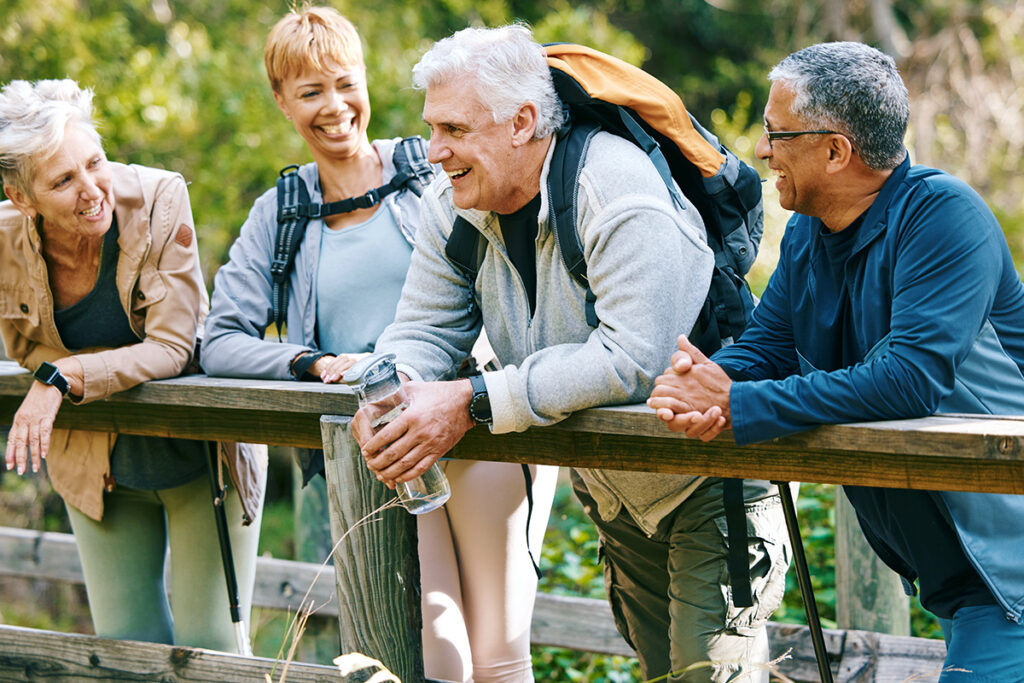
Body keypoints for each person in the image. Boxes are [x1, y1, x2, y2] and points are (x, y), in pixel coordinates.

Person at [350, 25, 790, 683]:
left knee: (710, 675)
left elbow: (632, 357)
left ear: (522, 121)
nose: (433, 150)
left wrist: (471, 402)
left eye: (454, 129)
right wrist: (400, 386)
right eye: (432, 128)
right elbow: (423, 328)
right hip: (619, 491)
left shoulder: (616, 183)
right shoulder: (454, 204)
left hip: (712, 479)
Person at [649, 41, 1024, 680]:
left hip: (1010, 565)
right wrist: (701, 381)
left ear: (835, 150)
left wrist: (739, 405)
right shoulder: (808, 229)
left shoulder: (944, 216)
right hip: (960, 573)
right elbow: (769, 346)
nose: (762, 151)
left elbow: (911, 378)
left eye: (775, 133)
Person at [200, 9, 554, 681]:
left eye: (344, 83)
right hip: (373, 448)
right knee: (423, 640)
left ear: (365, 81)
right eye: (310, 92)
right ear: (281, 101)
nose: (334, 107)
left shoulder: (435, 168)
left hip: (476, 420)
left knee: (498, 650)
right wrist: (311, 361)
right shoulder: (282, 211)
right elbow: (220, 340)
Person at [0, 78, 266, 652]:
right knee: (126, 652)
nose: (92, 188)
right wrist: (60, 371)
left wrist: (63, 377)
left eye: (95, 162)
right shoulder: (5, 238)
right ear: (22, 199)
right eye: (63, 180)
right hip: (95, 467)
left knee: (212, 651)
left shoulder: (160, 198)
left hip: (201, 462)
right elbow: (25, 348)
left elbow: (173, 347)